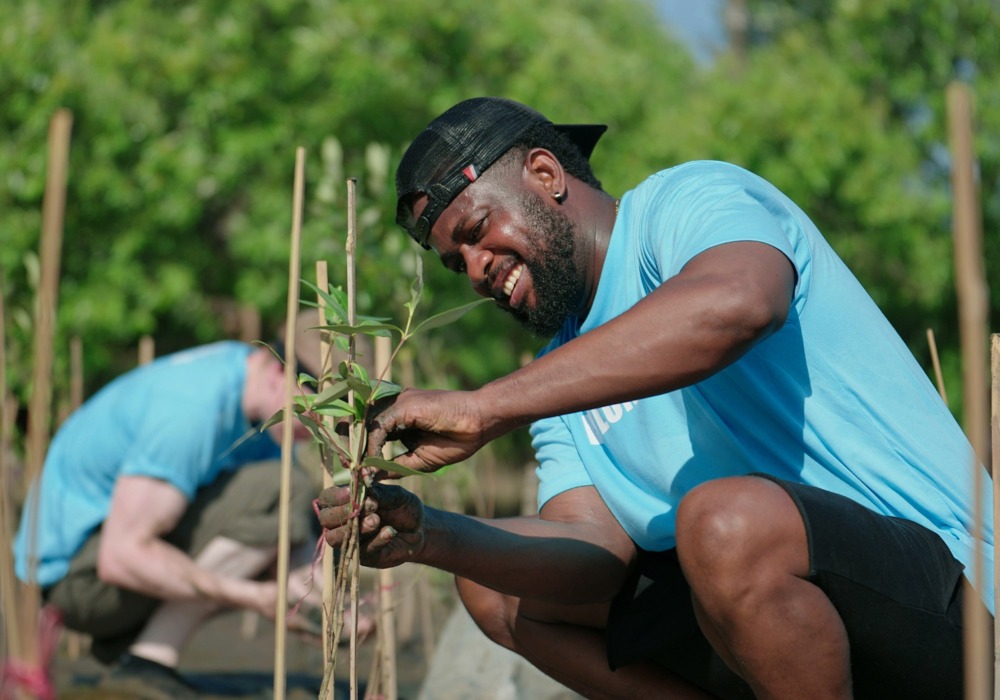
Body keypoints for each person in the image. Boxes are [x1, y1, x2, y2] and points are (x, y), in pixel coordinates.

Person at [318, 96, 995, 699]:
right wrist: (432, 535)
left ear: (547, 176)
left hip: (955, 608)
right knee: (495, 586)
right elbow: (590, 558)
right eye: (453, 263)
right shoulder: (559, 374)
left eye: (475, 232)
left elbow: (741, 302)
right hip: (782, 628)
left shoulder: (684, 204)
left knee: (722, 522)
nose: (473, 272)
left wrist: (486, 405)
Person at [13, 311, 358, 699]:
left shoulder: (252, 395)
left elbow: (280, 535)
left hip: (105, 564)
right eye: (323, 408)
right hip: (76, 582)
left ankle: (138, 652)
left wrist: (324, 603)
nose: (325, 428)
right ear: (280, 373)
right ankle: (147, 661)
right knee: (284, 488)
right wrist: (256, 598)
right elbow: (121, 555)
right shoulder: (191, 411)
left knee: (283, 492)